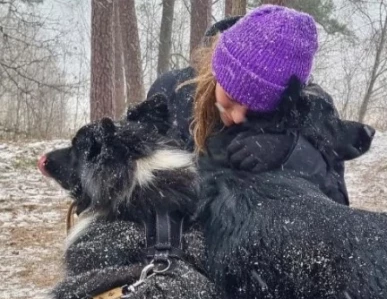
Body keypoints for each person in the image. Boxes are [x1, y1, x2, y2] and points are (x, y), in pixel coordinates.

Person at [135, 10, 371, 206]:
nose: (237, 116)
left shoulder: (312, 110)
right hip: (176, 241)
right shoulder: (171, 92)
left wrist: (290, 153)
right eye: (231, 98)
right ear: (218, 70)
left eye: (256, 109)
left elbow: (336, 201)